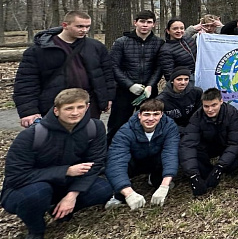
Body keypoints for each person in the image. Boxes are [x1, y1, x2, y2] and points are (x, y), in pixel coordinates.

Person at [1, 89, 112, 239]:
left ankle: (58, 208)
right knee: (38, 193)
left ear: (87, 107)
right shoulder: (32, 135)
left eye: (80, 107)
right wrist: (66, 171)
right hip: (28, 187)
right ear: (56, 110)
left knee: (104, 189)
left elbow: (94, 164)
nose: (75, 112)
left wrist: (72, 195)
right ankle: (36, 231)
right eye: (69, 108)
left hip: (66, 185)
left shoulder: (94, 128)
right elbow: (17, 176)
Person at [13, 10, 115, 126]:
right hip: (54, 106)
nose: (84, 30)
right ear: (65, 25)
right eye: (80, 26)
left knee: (88, 139)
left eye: (88, 27)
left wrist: (107, 98)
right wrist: (29, 111)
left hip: (89, 105)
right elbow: (26, 82)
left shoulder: (96, 47)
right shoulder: (39, 50)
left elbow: (107, 74)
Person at [105, 99, 180, 210]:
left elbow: (171, 153)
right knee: (119, 165)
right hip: (135, 161)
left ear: (161, 115)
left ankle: (155, 179)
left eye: (156, 114)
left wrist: (164, 186)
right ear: (139, 115)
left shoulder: (169, 126)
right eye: (146, 114)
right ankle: (120, 195)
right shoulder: (125, 131)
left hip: (155, 160)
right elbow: (116, 161)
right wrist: (128, 193)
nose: (151, 119)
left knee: (170, 155)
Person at [108, 10, 165, 144]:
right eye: (142, 21)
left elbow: (159, 67)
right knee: (117, 124)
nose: (145, 25)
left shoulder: (159, 43)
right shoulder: (121, 42)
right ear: (135, 23)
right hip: (124, 91)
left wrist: (151, 85)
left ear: (154, 24)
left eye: (149, 22)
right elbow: (114, 66)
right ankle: (111, 153)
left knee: (149, 124)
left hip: (149, 91)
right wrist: (129, 85)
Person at [179, 88, 238, 197]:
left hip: (226, 146)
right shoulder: (197, 116)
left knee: (233, 163)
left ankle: (219, 170)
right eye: (206, 106)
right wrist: (193, 175)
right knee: (193, 152)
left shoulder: (231, 113)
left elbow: (235, 142)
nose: (210, 110)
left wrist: (220, 167)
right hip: (208, 147)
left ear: (221, 101)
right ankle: (206, 172)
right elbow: (187, 144)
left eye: (214, 105)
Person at [158, 18, 199, 86]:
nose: (179, 31)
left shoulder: (189, 39)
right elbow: (169, 74)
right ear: (168, 31)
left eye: (181, 28)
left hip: (199, 76)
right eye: (175, 29)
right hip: (184, 81)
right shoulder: (165, 49)